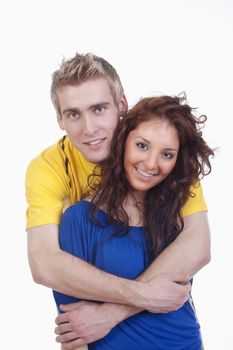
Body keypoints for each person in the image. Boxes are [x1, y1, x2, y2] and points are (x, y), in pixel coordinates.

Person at [25, 53, 211, 348]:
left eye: (99, 109)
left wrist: (111, 314)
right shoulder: (50, 172)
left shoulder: (161, 149)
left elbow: (197, 246)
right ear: (60, 119)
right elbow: (46, 264)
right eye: (73, 114)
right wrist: (145, 295)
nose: (89, 128)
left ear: (121, 106)